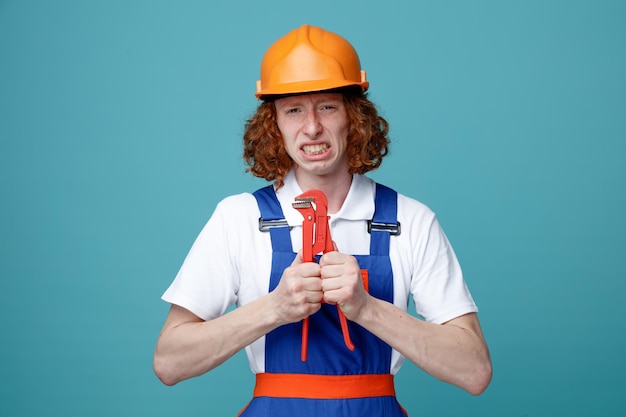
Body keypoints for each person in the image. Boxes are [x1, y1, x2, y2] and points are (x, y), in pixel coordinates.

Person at [153, 24, 492, 416]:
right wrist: (274, 308)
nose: (311, 127)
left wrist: (366, 308)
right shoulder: (238, 219)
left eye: (327, 106)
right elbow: (169, 362)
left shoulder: (410, 221)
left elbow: (475, 371)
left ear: (354, 116)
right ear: (274, 124)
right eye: (293, 109)